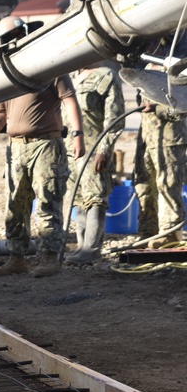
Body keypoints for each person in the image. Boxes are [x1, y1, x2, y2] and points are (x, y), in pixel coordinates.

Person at [0, 16, 85, 278]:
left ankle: (49, 257)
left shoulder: (48, 63)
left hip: (46, 145)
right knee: (15, 205)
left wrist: (77, 134)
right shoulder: (7, 73)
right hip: (16, 148)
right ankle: (17, 258)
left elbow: (69, 100)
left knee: (48, 201)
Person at [62, 61, 125, 264]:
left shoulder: (106, 75)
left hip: (94, 147)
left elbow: (114, 117)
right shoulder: (69, 76)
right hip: (70, 149)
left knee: (96, 197)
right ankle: (82, 246)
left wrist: (104, 148)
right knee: (79, 198)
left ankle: (91, 249)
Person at [134, 63, 187, 248]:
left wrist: (157, 108)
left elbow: (182, 104)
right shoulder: (144, 68)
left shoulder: (174, 70)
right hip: (147, 138)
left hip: (169, 139)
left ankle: (170, 232)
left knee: (168, 184)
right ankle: (148, 230)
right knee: (144, 184)